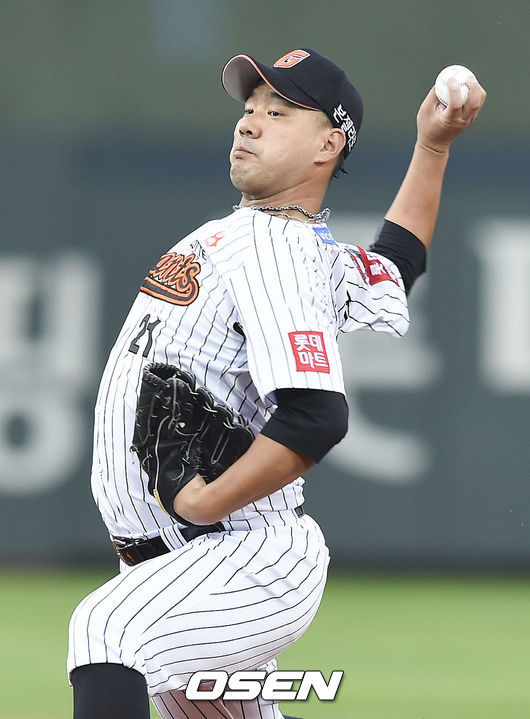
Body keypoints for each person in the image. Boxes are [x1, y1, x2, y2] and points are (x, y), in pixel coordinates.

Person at [67, 48, 486, 719]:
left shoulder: (277, 249)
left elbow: (315, 416)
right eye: (250, 106)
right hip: (182, 561)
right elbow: (394, 265)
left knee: (106, 632)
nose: (250, 122)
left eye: (280, 111)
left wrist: (204, 504)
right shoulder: (279, 245)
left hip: (242, 553)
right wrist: (432, 146)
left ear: (328, 145)